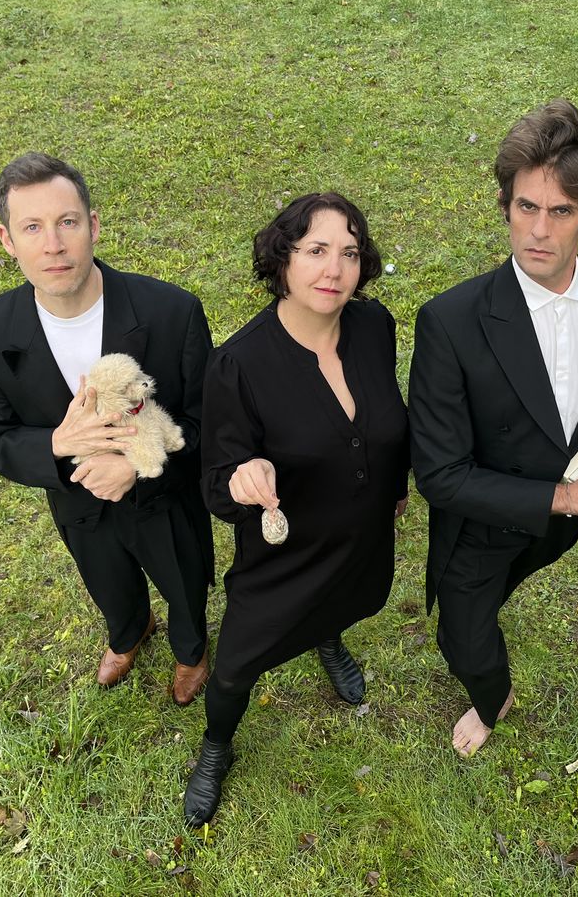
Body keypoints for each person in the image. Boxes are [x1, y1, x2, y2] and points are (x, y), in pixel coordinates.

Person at [409, 100, 578, 756]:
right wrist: (573, 496)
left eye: (560, 212)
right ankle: (494, 701)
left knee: (526, 571)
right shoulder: (450, 321)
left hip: (565, 522)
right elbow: (439, 474)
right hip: (483, 523)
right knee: (463, 637)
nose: (538, 232)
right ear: (504, 203)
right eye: (526, 207)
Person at [183, 193, 409, 827]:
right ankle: (216, 748)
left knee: (345, 599)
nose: (333, 270)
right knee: (233, 667)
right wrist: (243, 477)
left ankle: (326, 636)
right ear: (281, 260)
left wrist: (393, 490)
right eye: (315, 251)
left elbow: (387, 426)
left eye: (349, 253)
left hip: (360, 533)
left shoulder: (374, 327)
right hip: (286, 551)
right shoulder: (238, 365)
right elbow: (215, 486)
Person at [0, 152, 214, 705]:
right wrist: (56, 444)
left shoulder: (172, 312)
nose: (53, 244)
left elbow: (210, 422)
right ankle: (129, 633)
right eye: (33, 227)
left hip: (166, 502)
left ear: (93, 226)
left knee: (185, 583)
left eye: (67, 222)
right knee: (107, 583)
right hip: (77, 504)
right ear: (7, 240)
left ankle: (191, 650)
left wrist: (135, 466)